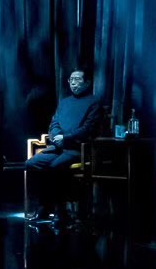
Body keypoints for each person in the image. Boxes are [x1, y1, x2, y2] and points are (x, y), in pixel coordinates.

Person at [24, 66, 106, 222]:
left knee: (55, 167)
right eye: (71, 80)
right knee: (32, 163)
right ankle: (45, 205)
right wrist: (55, 136)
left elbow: (88, 128)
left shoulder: (94, 102)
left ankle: (59, 210)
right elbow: (54, 122)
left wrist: (66, 138)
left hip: (77, 149)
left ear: (87, 83)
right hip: (58, 147)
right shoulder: (64, 102)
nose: (73, 83)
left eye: (77, 79)